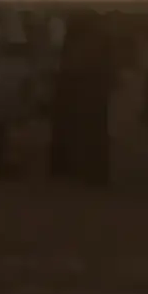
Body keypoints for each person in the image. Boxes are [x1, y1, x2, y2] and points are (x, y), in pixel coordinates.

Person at [49, 9, 115, 186]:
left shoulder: (84, 36)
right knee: (90, 128)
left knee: (85, 127)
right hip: (89, 83)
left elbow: (73, 62)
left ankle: (86, 170)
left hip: (84, 82)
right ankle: (90, 171)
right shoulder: (96, 35)